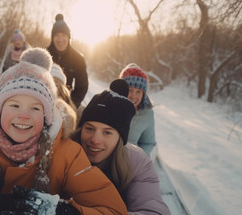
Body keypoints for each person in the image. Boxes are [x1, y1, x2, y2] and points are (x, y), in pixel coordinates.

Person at [0, 48, 128, 215]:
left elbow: (113, 209)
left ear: (46, 116)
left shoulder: (68, 154)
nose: (24, 116)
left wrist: (64, 211)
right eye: (15, 105)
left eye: (35, 108)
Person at [72, 79, 171, 215]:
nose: (95, 140)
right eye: (89, 129)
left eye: (107, 132)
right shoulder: (65, 152)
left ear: (120, 138)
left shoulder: (137, 163)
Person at [47, 14, 88, 108]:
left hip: (67, 102)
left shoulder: (78, 59)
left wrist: (71, 105)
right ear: (52, 38)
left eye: (63, 35)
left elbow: (82, 87)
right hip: (44, 100)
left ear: (69, 37)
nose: (60, 39)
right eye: (57, 35)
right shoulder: (44, 55)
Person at [119, 63, 156, 156]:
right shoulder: (108, 105)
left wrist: (138, 158)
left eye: (138, 91)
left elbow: (148, 143)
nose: (133, 96)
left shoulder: (147, 113)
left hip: (129, 162)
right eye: (130, 90)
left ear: (143, 94)